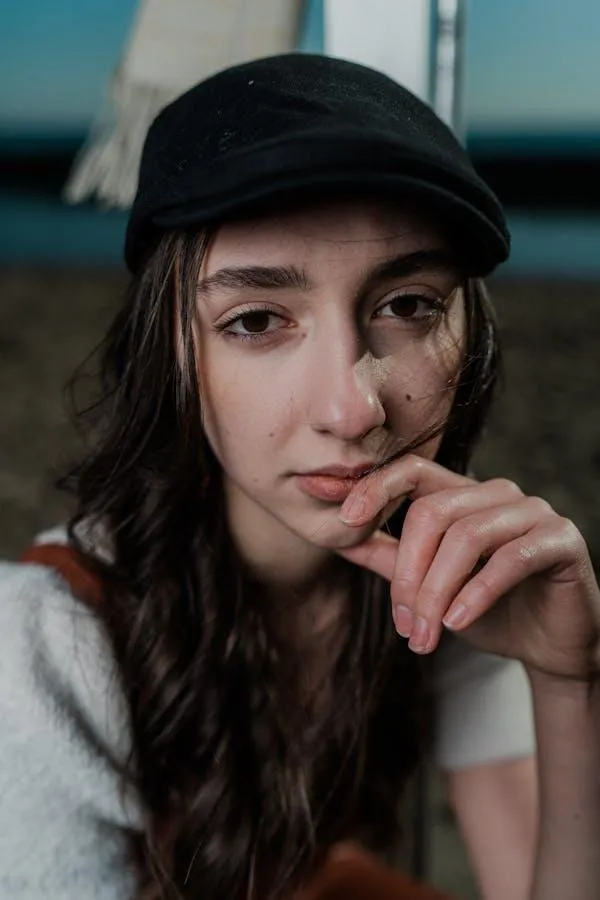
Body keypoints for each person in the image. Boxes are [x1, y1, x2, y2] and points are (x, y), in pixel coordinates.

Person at [1, 53, 599, 900]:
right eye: (255, 320)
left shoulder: (447, 583)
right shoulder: (44, 650)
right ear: (177, 354)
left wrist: (568, 680)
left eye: (408, 306)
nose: (353, 409)